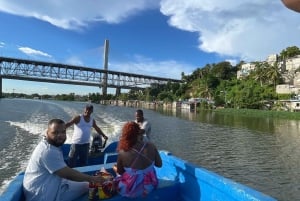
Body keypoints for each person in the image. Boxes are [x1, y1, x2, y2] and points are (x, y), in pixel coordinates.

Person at [23, 118, 105, 201]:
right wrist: (92, 178)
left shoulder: (51, 145)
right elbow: (67, 174)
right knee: (89, 185)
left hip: (52, 183)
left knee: (87, 185)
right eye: (55, 132)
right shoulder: (48, 151)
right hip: (42, 195)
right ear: (47, 133)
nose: (60, 135)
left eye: (63, 132)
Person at [114, 121, 162, 198]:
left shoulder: (122, 152)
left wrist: (116, 168)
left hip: (131, 189)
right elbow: (159, 165)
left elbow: (120, 172)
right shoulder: (151, 146)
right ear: (138, 133)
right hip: (150, 185)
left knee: (115, 175)